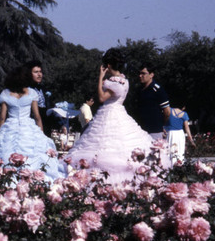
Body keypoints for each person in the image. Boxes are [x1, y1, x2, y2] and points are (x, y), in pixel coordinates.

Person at [65, 48, 169, 184]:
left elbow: (102, 98)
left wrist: (101, 77)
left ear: (108, 65)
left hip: (110, 112)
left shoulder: (114, 82)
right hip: (119, 110)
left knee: (106, 146)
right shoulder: (124, 80)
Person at [0, 66, 60, 180]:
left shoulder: (6, 93)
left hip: (10, 125)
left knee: (5, 152)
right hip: (28, 126)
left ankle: (5, 176)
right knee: (35, 153)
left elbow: (2, 117)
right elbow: (37, 117)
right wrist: (41, 133)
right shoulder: (31, 92)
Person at [138, 63, 171, 140]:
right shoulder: (140, 90)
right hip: (141, 130)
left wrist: (161, 125)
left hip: (155, 131)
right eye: (139, 73)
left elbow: (167, 112)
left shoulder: (157, 89)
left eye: (143, 73)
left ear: (151, 75)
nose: (140, 76)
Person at [25, 60, 53, 135]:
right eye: (36, 72)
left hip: (46, 124)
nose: (39, 74)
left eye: (40, 71)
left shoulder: (44, 89)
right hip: (32, 124)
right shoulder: (26, 90)